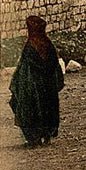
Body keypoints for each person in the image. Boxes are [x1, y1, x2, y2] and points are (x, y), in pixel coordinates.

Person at [9, 15, 65, 147]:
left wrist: (18, 86)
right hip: (48, 87)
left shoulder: (30, 47)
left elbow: (23, 71)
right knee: (47, 109)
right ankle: (46, 136)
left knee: (31, 109)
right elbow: (55, 67)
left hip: (32, 88)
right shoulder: (49, 45)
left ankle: (34, 140)